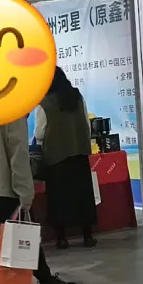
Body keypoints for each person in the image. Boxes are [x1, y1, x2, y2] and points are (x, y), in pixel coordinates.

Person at [0, 117, 79, 284]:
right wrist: (25, 192)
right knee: (22, 231)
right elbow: (19, 156)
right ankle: (45, 280)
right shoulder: (13, 115)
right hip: (6, 184)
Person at [36, 67, 97, 249]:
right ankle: (87, 235)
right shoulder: (78, 97)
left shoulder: (45, 103)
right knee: (83, 195)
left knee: (59, 198)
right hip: (79, 154)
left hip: (57, 157)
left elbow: (39, 133)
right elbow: (86, 124)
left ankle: (62, 238)